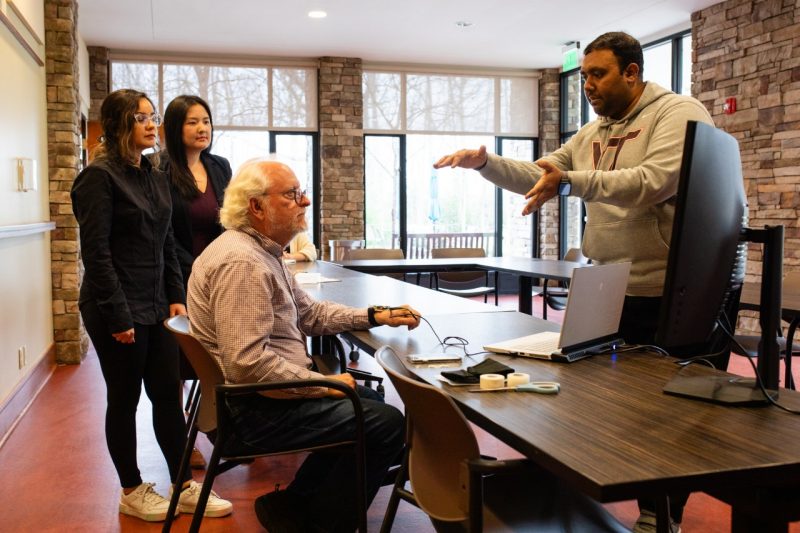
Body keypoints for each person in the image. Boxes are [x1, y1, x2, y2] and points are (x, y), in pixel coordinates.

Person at [434, 31, 712, 533]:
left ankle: (658, 516)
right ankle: (579, 494)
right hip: (606, 285)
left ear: (632, 72)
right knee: (594, 398)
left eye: (597, 74)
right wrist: (486, 164)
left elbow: (656, 180)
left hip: (664, 289)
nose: (587, 84)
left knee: (668, 416)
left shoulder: (678, 112)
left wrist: (573, 181)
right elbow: (543, 173)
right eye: (583, 75)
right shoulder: (592, 133)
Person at [187, 158, 420, 532]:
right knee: (385, 424)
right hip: (251, 410)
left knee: (371, 404)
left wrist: (374, 316)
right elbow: (247, 364)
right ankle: (320, 524)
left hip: (253, 398)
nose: (305, 202)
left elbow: (309, 315)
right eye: (292, 194)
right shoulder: (243, 263)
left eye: (301, 192)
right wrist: (321, 384)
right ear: (257, 206)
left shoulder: (261, 251)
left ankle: (296, 507)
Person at [71, 89, 231, 522]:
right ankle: (130, 488)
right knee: (123, 399)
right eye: (139, 116)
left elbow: (165, 244)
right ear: (117, 124)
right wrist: (118, 314)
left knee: (165, 394)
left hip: (159, 303)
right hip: (116, 307)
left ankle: (183, 485)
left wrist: (177, 297)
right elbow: (97, 255)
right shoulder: (99, 177)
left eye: (151, 115)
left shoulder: (153, 174)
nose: (149, 123)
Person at [161, 94, 232, 469]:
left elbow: (233, 219)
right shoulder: (159, 170)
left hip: (220, 280)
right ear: (175, 127)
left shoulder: (219, 167)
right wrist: (196, 269)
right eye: (192, 121)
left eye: (205, 120)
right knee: (180, 364)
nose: (202, 127)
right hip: (178, 276)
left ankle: (225, 429)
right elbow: (163, 234)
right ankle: (182, 442)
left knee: (221, 357)